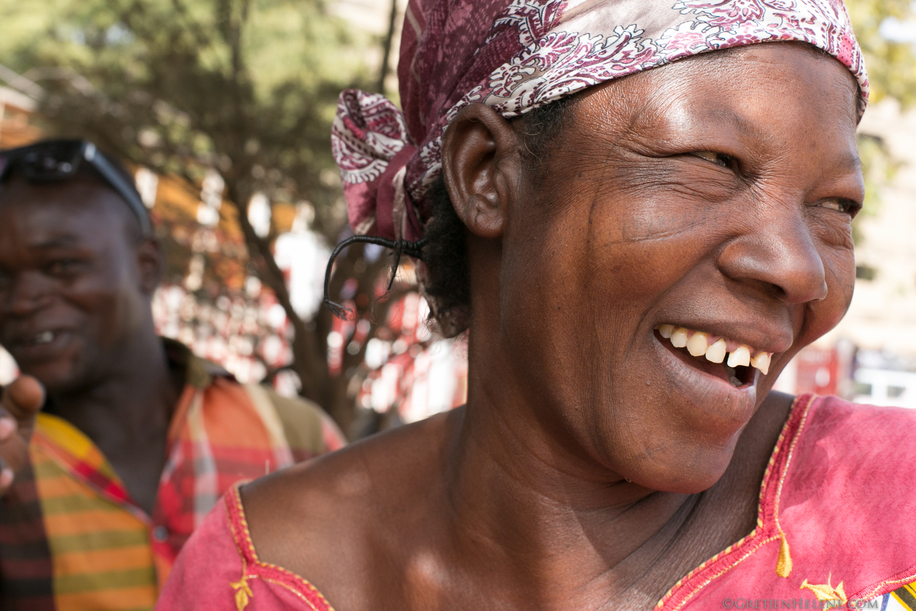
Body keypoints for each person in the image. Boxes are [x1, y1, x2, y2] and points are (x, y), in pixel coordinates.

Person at [159, 1, 916, 610]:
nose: (800, 268)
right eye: (714, 162)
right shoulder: (260, 580)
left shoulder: (894, 514)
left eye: (836, 206)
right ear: (486, 173)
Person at [0, 139, 345, 611]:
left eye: (61, 266)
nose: (21, 301)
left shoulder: (297, 439)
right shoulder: (9, 458)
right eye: (0, 277)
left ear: (146, 266)